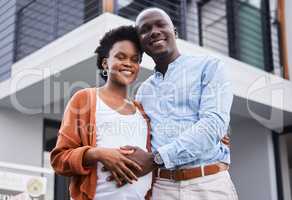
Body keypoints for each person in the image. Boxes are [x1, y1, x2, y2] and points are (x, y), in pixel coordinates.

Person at [108, 7, 238, 200]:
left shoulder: (210, 67)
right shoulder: (143, 92)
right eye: (145, 29)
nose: (154, 31)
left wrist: (155, 159)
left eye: (161, 24)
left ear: (174, 32)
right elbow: (144, 139)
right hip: (162, 188)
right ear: (141, 44)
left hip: (209, 185)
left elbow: (213, 125)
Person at [50, 25, 153, 200]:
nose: (128, 63)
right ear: (105, 63)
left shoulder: (142, 112)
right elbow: (59, 159)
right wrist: (99, 153)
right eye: (121, 57)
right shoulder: (85, 99)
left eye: (134, 59)